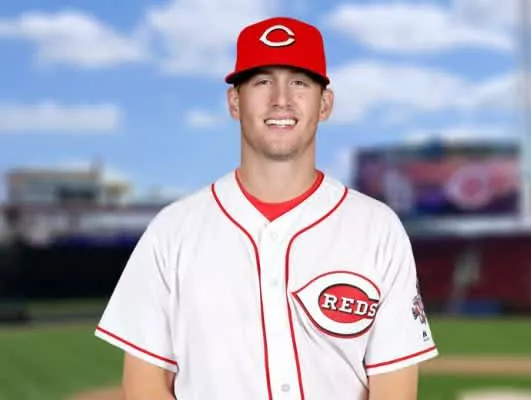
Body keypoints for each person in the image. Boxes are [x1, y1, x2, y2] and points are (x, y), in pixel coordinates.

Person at [94, 16, 439, 399]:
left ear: (325, 104)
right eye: (262, 81)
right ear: (234, 101)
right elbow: (144, 385)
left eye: (299, 82)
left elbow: (395, 390)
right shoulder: (172, 230)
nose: (281, 99)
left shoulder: (376, 228)